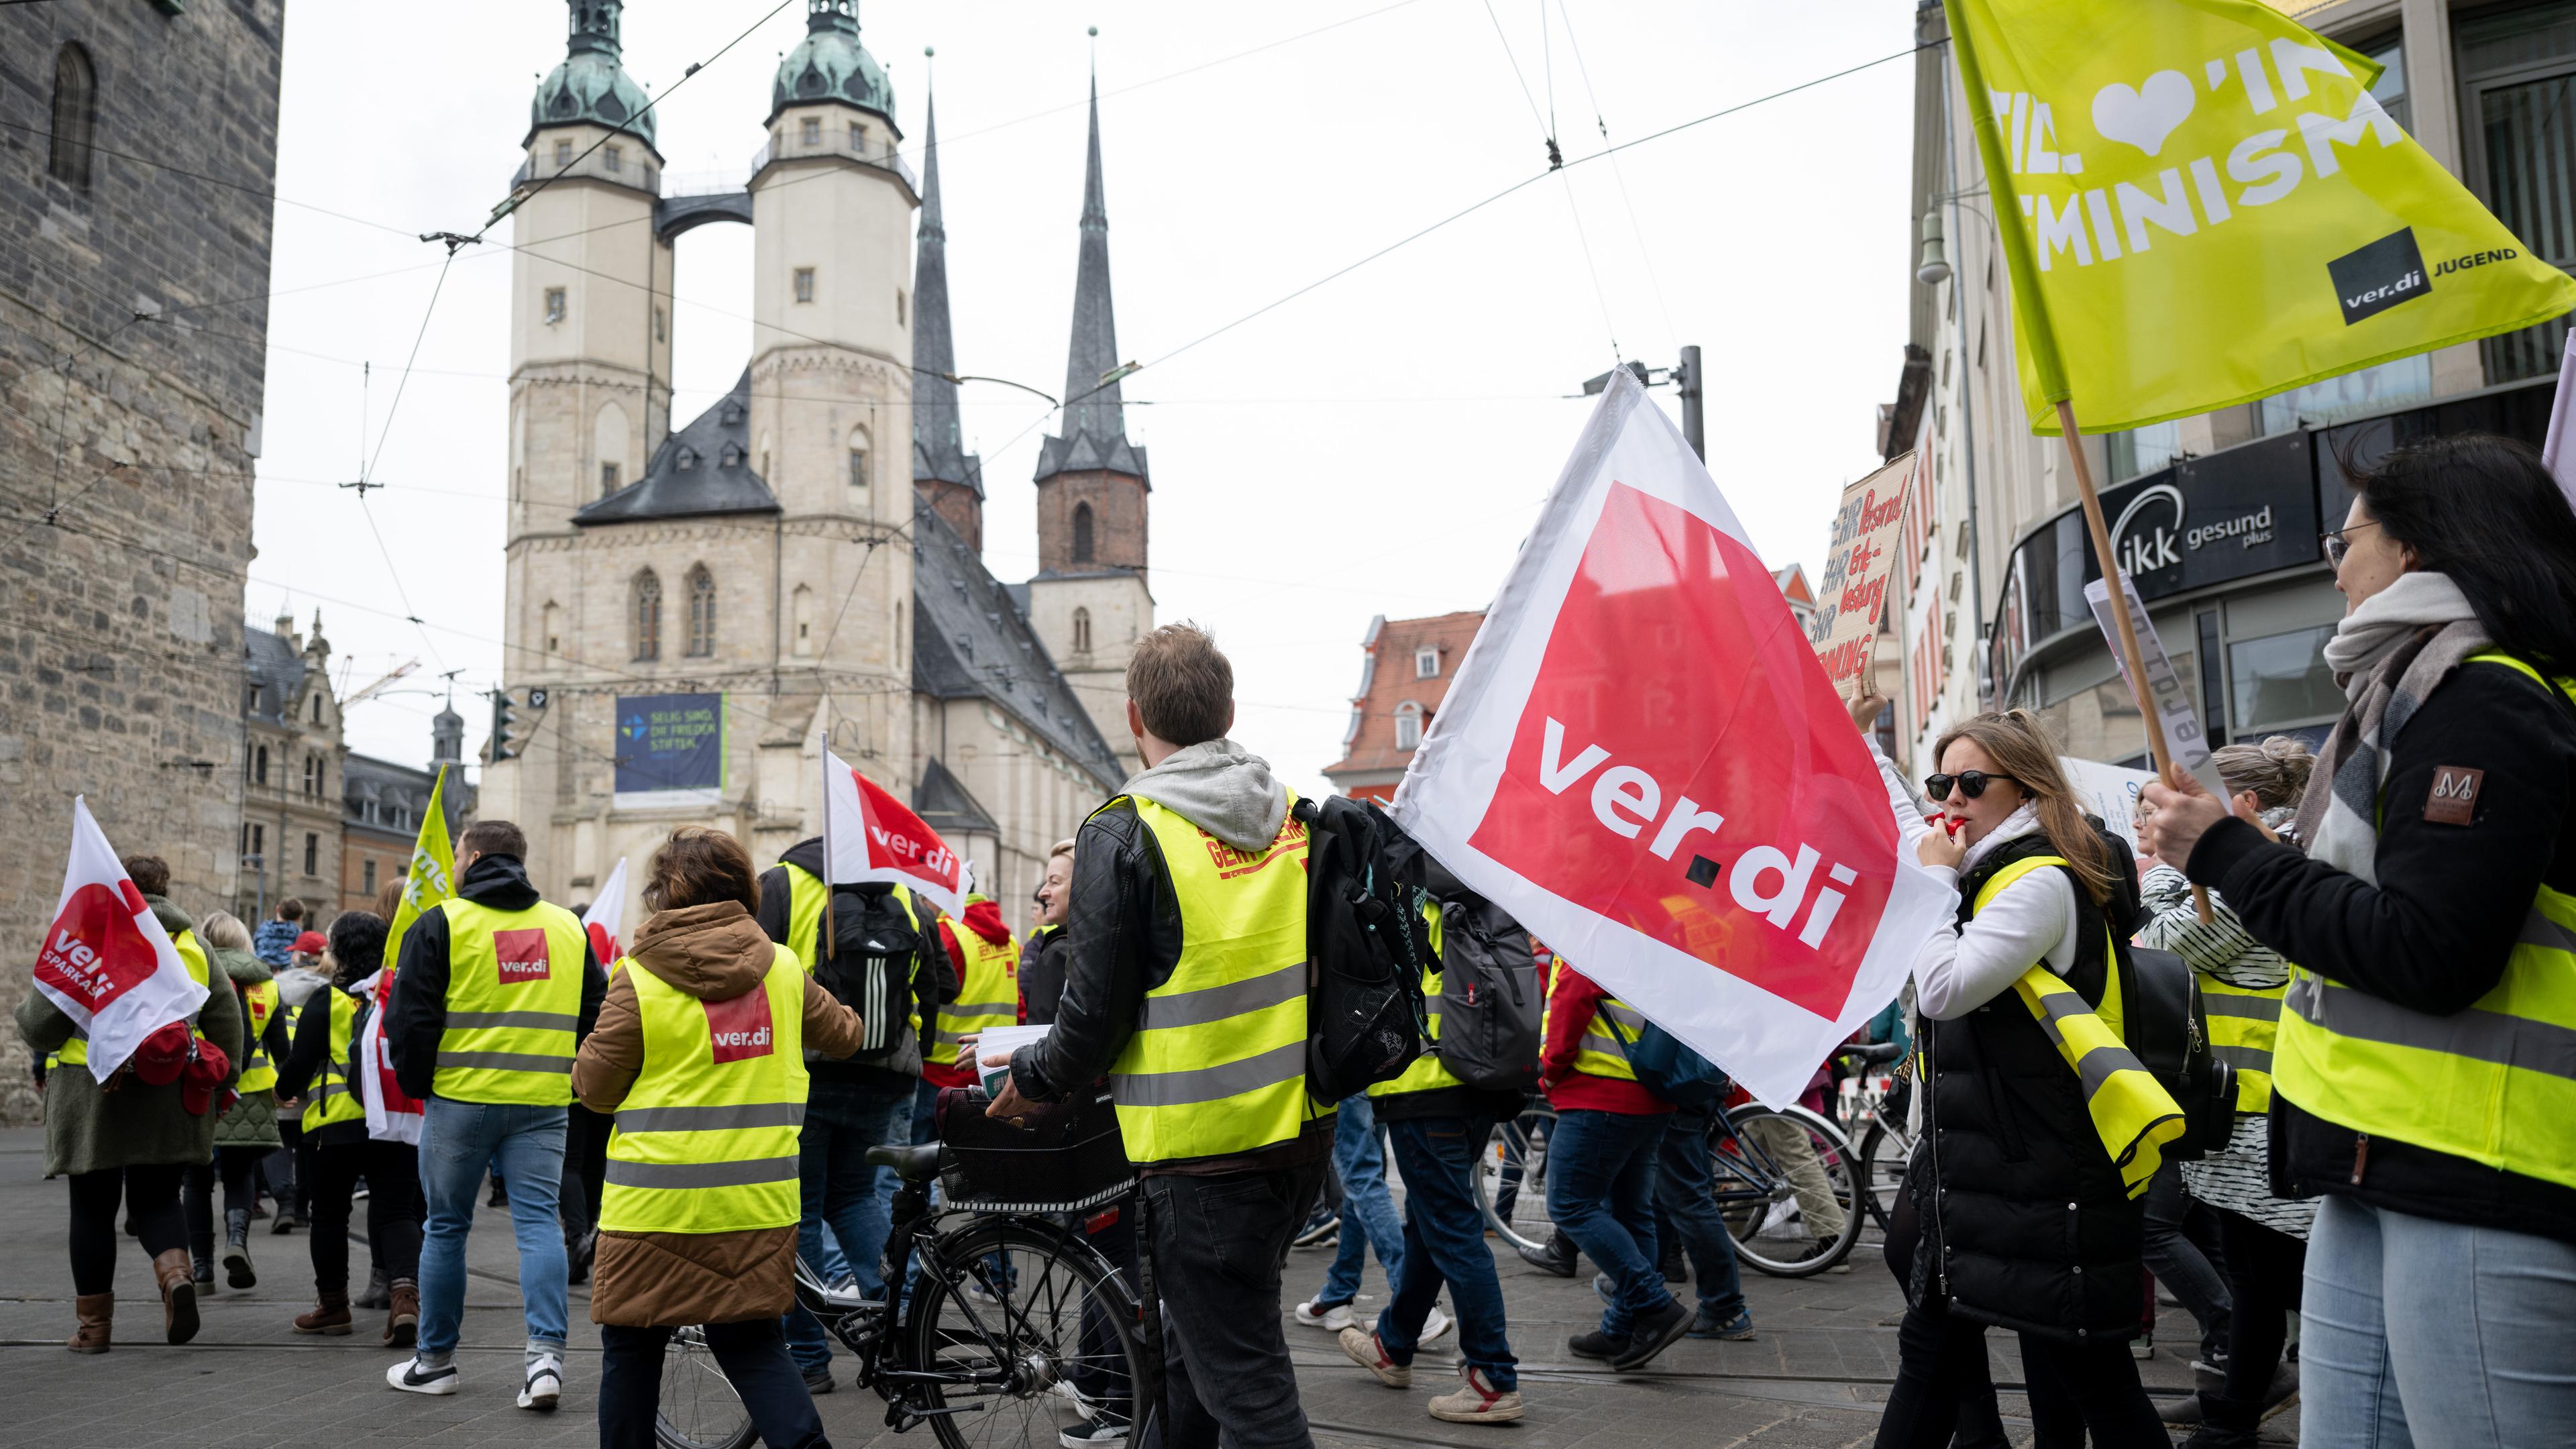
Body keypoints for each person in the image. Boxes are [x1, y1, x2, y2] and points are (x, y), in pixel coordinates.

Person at [2141, 433, 2576, 1448]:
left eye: (2348, 539)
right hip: (2379, 1162)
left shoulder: (2487, 700)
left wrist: (2227, 857)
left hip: (2478, 1174)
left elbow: (2431, 949)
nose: (2335, 566)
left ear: (2419, 551)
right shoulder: (2419, 693)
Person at [988, 623, 1334, 1449]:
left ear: (1134, 716)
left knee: (1249, 1390)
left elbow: (1091, 1018)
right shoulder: (1296, 818)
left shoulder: (1126, 831)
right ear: (1230, 710)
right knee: (1191, 1354)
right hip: (1299, 1136)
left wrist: (1029, 1078)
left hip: (1204, 1156)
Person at [1867, 710, 2171, 1449]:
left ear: (2026, 786)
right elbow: (1909, 821)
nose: (1953, 800)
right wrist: (1862, 742)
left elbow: (1944, 988)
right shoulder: (1983, 865)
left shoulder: (2038, 881)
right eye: (1945, 782)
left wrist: (1935, 884)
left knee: (2092, 1377)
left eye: (1973, 783)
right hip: (1984, 1170)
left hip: (2046, 1175)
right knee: (1936, 1349)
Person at [575, 827, 862, 1449]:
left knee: (631, 1349)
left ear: (664, 893)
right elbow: (846, 1034)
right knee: (755, 1347)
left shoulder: (637, 978)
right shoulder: (782, 969)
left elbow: (594, 1090)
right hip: (755, 1205)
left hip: (654, 1210)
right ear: (744, 888)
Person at [2131, 737, 2316, 1446]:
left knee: (2279, 1281)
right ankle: (2234, 1413)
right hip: (2237, 1116)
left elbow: (2161, 949)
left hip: (2267, 1115)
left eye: (2169, 807)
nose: (2152, 823)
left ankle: (2241, 1414)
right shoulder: (2241, 875)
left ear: (2238, 807)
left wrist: (2157, 871)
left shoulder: (2257, 878)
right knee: (2258, 1281)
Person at [384, 818, 606, 1407]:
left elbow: (410, 1019)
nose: (454, 865)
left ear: (475, 855)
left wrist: (418, 1084)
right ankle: (545, 1364)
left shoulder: (443, 923)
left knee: (446, 1228)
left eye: (458, 855)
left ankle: (435, 1364)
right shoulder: (568, 928)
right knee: (539, 1226)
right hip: (543, 1103)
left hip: (459, 1100)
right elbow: (598, 1014)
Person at [14, 853, 245, 1351]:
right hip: (170, 1092)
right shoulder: (191, 943)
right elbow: (227, 1019)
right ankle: (176, 1277)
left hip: (93, 1094)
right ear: (164, 889)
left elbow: (41, 1028)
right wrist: (225, 1081)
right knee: (159, 1198)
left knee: (93, 1210)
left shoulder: (87, 938)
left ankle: (94, 1331)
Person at [757, 829, 958, 1391]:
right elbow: (943, 982)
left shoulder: (783, 885)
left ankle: (807, 1357)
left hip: (807, 1071)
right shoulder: (907, 896)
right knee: (855, 1203)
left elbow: (752, 974)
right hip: (887, 1073)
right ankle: (904, 1343)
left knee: (798, 1213)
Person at [1334, 881, 1519, 1424]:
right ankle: (1394, 1344)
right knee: (1430, 1221)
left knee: (1452, 1228)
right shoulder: (1483, 890)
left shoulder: (1400, 891)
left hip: (1425, 1087)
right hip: (1480, 1081)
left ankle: (1492, 1378)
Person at [276, 910, 426, 1345]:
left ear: (338, 951)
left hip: (333, 1129)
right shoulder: (396, 997)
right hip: (394, 1125)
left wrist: (282, 1091)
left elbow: (298, 1067)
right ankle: (404, 1300)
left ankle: (333, 1307)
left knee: (328, 1217)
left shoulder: (326, 1001)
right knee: (397, 1212)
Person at [1538, 956, 1694, 1370]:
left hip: (1599, 1092)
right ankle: (1622, 1327)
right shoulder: (1658, 929)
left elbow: (1571, 997)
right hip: (1651, 1092)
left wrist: (1550, 1071)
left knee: (1570, 1204)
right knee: (1632, 1213)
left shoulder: (1588, 923)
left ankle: (1654, 1304)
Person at [183, 911, 289, 1291]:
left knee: (195, 1181)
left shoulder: (194, 974)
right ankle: (236, 1243)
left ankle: (201, 1269)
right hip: (250, 1093)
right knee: (240, 1175)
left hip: (198, 1088)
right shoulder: (269, 985)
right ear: (245, 942)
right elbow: (282, 1048)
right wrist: (287, 1089)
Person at [920, 888, 1020, 1136]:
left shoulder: (945, 932)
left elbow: (922, 997)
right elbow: (1019, 1004)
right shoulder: (1009, 940)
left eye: (924, 897)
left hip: (938, 1071)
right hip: (992, 1072)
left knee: (918, 1164)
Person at [1018, 840, 1075, 1024]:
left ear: (1084, 885)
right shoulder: (1114, 943)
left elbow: (1043, 1038)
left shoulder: (1059, 951)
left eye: (1055, 882)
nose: (1043, 893)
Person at [254, 896, 306, 968]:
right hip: (286, 973)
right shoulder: (298, 933)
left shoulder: (263, 928)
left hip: (262, 970)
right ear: (298, 918)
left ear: (277, 909)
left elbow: (255, 948)